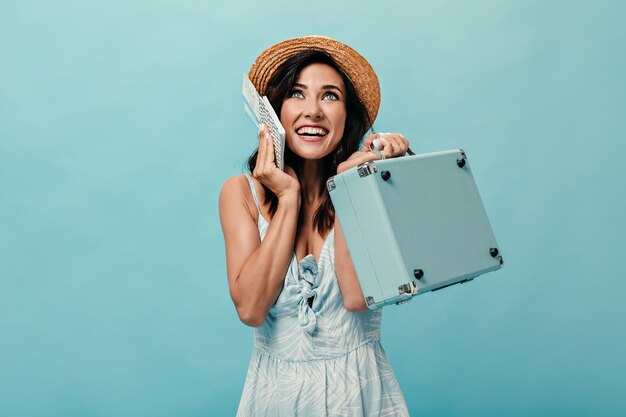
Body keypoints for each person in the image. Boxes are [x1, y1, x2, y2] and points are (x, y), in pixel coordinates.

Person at [219, 36, 411, 416]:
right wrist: (288, 198)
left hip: (359, 392)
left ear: (348, 116)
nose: (313, 111)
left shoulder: (364, 185)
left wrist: (351, 184)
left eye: (330, 96)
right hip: (275, 396)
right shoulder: (239, 193)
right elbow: (251, 309)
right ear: (272, 113)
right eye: (297, 93)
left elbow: (357, 299)